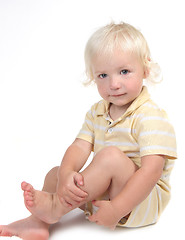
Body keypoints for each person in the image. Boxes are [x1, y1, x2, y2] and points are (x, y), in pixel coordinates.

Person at [0, 22, 177, 239]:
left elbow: (152, 172)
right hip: (106, 197)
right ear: (93, 76)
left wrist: (117, 208)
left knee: (110, 156)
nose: (114, 83)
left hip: (139, 202)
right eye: (103, 75)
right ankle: (38, 223)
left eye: (124, 71)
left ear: (145, 69)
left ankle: (55, 207)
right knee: (56, 173)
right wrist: (66, 175)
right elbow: (79, 147)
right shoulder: (97, 112)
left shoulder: (151, 116)